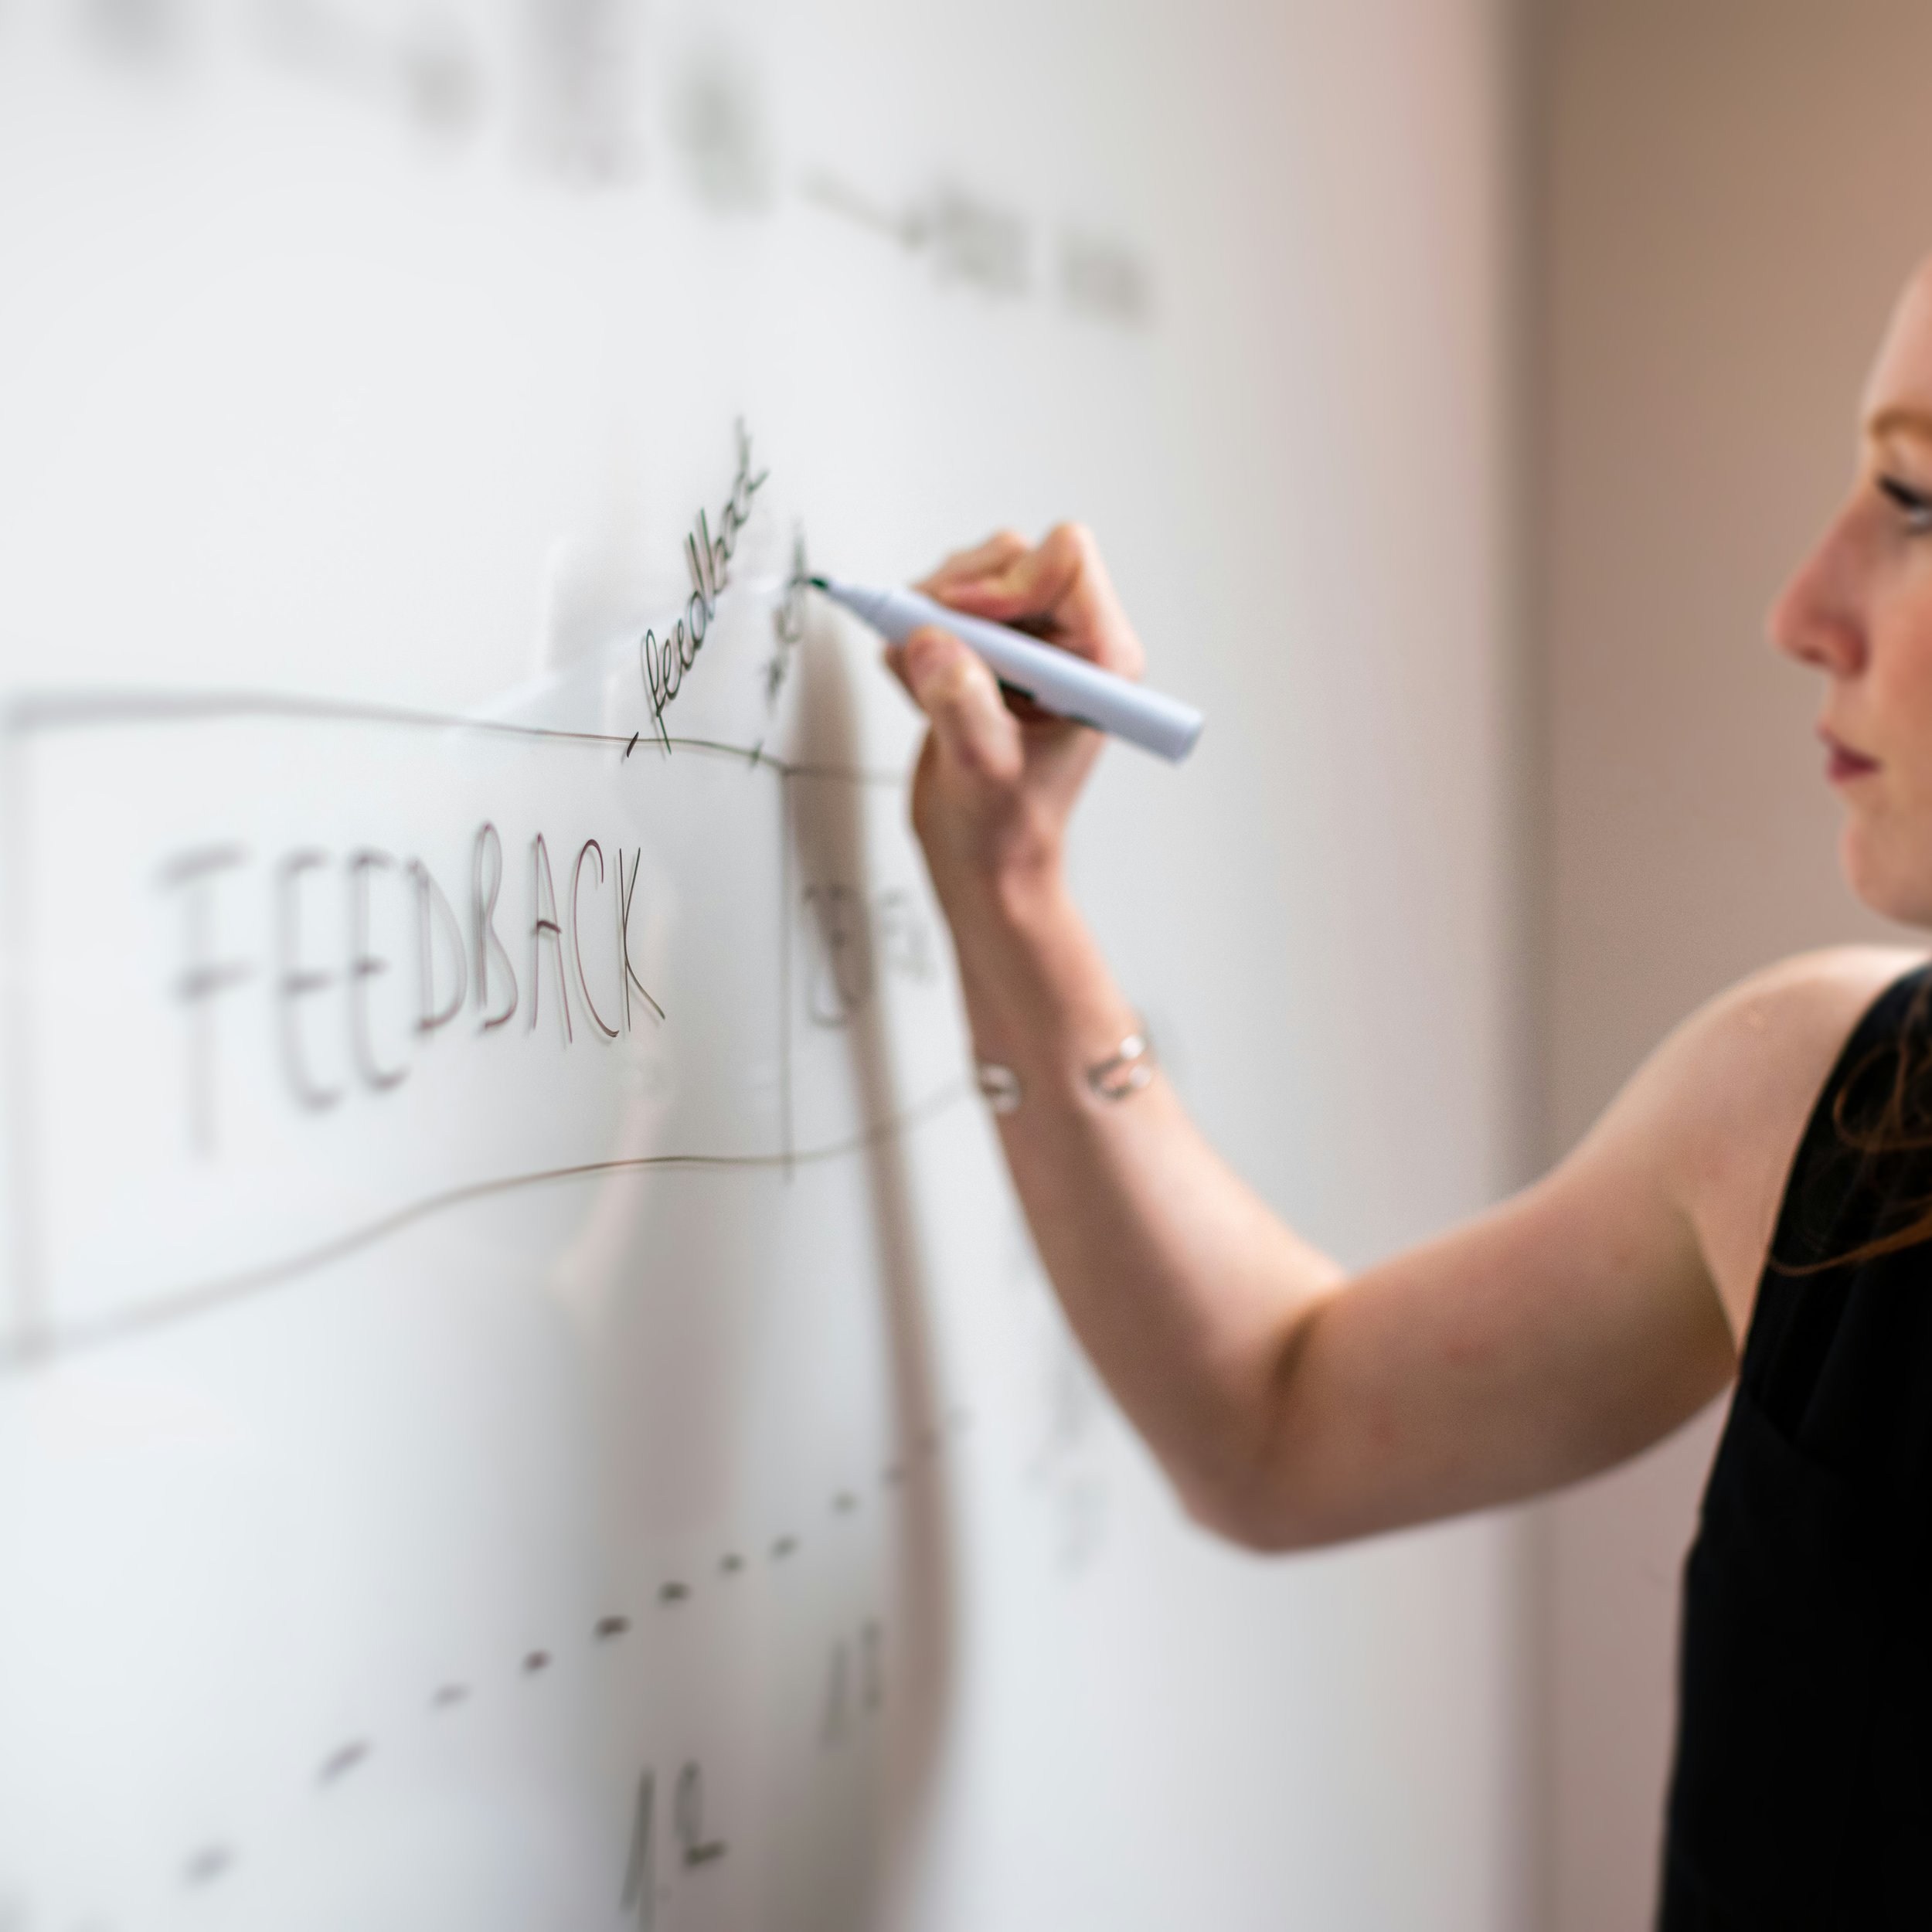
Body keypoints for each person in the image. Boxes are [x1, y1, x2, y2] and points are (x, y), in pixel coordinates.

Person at [886, 256, 1932, 1929]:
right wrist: (1012, 893)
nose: (1801, 605)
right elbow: (1273, 1419)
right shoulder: (1821, 1110)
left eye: (1913, 499)